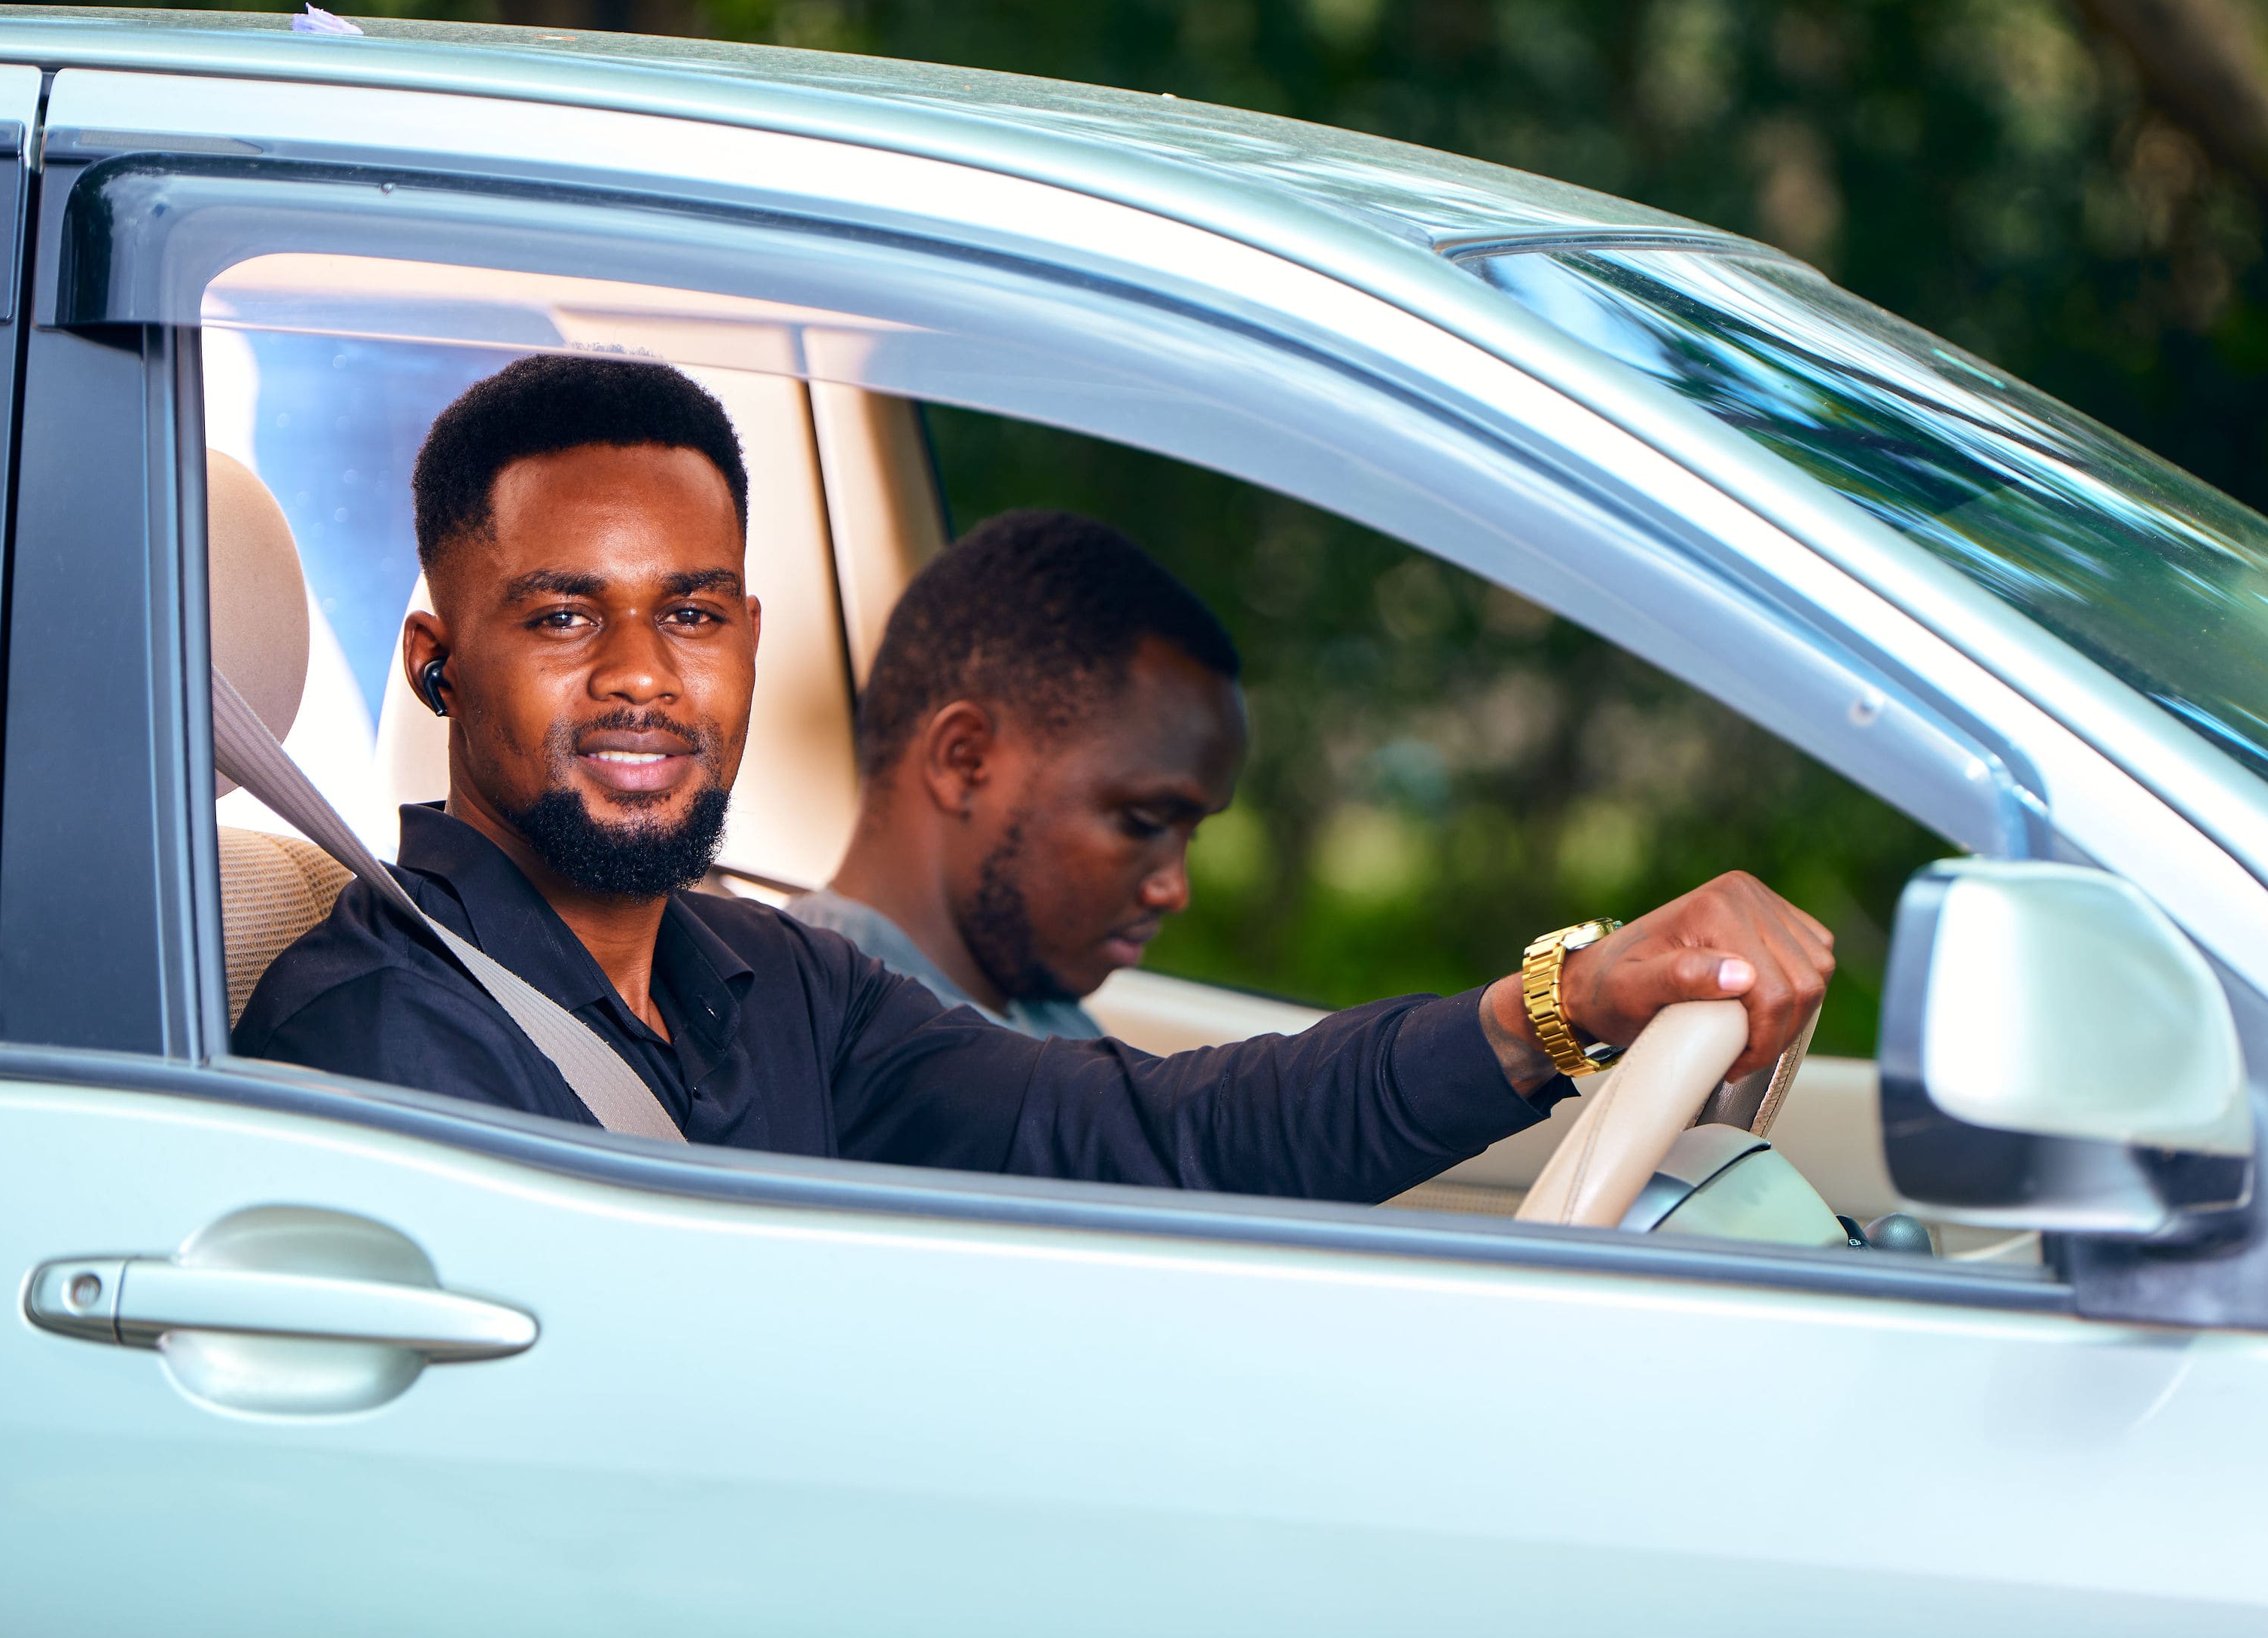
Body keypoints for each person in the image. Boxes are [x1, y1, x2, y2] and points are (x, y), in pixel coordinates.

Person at [234, 355, 1833, 1203]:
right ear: (439, 663)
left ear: (749, 643)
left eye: (695, 614)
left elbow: (1166, 1135)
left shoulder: (781, 984)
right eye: (565, 616)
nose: (645, 674)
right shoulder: (373, 1041)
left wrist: (1565, 1002)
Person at [786, 510, 1244, 1039]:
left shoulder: (1052, 1026)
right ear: (965, 762)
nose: (1174, 891)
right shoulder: (815, 1040)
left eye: (1191, 834)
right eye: (1144, 822)